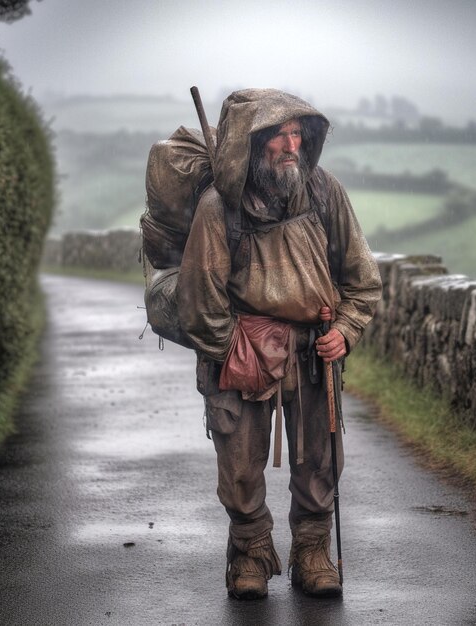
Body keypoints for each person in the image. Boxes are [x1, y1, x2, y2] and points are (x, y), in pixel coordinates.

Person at [176, 88, 382, 600]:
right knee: (241, 465)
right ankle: (249, 555)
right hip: (239, 351)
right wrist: (239, 351)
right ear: (253, 144)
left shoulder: (324, 193)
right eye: (278, 135)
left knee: (319, 459)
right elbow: (200, 302)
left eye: (297, 134)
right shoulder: (218, 207)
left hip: (314, 352)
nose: (291, 145)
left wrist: (344, 330)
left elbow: (362, 281)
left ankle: (312, 553)